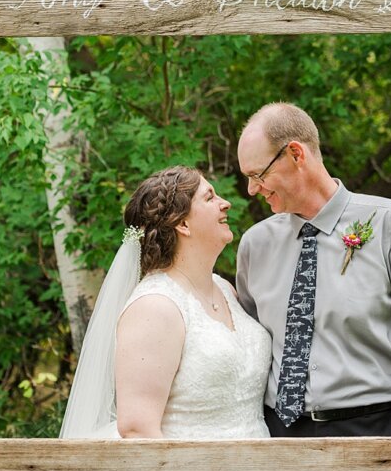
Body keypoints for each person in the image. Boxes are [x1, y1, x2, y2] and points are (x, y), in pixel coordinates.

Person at [236, 103, 391, 438]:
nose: (253, 189)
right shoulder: (255, 245)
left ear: (296, 154)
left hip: (378, 431)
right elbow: (251, 351)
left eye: (259, 175)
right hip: (278, 437)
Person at [60, 165, 272, 439]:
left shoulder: (225, 290)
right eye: (210, 198)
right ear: (182, 224)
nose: (225, 203)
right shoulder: (154, 308)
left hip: (262, 468)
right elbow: (138, 429)